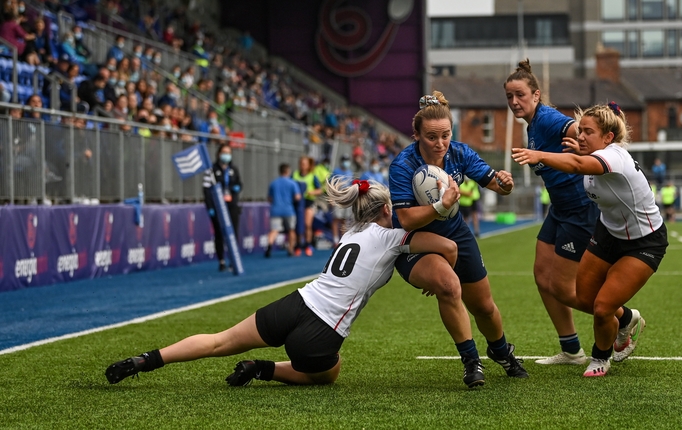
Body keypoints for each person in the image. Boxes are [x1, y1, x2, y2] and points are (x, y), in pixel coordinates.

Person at [105, 179, 458, 386]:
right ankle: (264, 369)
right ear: (385, 210)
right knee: (330, 372)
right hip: (321, 332)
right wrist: (441, 212)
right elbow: (447, 246)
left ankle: (146, 360)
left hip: (295, 304)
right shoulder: (391, 237)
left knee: (219, 340)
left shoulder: (350, 233)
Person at [512, 102, 668, 377]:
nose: (579, 136)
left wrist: (540, 154)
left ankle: (600, 357)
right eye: (579, 130)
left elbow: (575, 164)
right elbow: (576, 164)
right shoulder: (592, 156)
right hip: (607, 234)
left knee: (602, 306)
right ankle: (627, 319)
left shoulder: (615, 156)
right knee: (582, 296)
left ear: (608, 137)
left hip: (644, 241)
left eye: (588, 132)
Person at [389, 91, 527, 388]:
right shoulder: (402, 165)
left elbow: (495, 185)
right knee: (448, 286)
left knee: (484, 307)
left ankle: (501, 352)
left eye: (445, 136)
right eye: (431, 137)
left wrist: (506, 185)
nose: (440, 144)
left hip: (454, 233)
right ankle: (471, 361)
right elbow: (406, 220)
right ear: (416, 135)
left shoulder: (460, 153)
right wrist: (442, 205)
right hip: (414, 239)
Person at [506, 59, 625, 366]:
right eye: (509, 97)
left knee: (563, 287)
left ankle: (624, 318)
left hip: (579, 208)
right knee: (542, 277)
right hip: (559, 208)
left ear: (536, 95)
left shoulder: (545, 118)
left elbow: (574, 127)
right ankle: (571, 349)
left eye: (520, 95)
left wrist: (585, 143)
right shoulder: (532, 125)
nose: (514, 102)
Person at [203, 144, 243, 271]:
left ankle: (233, 259)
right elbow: (206, 189)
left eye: (228, 152)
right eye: (224, 152)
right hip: (218, 206)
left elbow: (239, 184)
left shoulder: (233, 169)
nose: (226, 155)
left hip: (232, 206)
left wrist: (234, 189)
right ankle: (221, 260)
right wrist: (210, 207)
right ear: (219, 154)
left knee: (233, 233)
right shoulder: (212, 170)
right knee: (219, 234)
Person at [265, 163, 301, 258]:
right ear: (288, 171)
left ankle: (269, 246)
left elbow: (269, 198)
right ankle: (290, 249)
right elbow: (297, 197)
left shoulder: (273, 183)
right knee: (291, 230)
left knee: (274, 230)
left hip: (276, 210)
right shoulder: (292, 183)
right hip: (289, 210)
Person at [292, 156, 322, 256]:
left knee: (307, 224)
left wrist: (312, 192)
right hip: (298, 202)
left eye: (305, 164)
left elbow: (320, 190)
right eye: (301, 163)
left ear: (308, 165)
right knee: (298, 224)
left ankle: (308, 244)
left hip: (309, 202)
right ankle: (298, 245)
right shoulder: (295, 175)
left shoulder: (312, 176)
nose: (303, 165)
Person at [330, 155, 354, 246]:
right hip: (338, 197)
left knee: (345, 219)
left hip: (347, 198)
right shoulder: (336, 171)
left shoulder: (350, 172)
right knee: (336, 219)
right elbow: (332, 185)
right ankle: (335, 240)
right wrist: (331, 198)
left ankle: (343, 239)